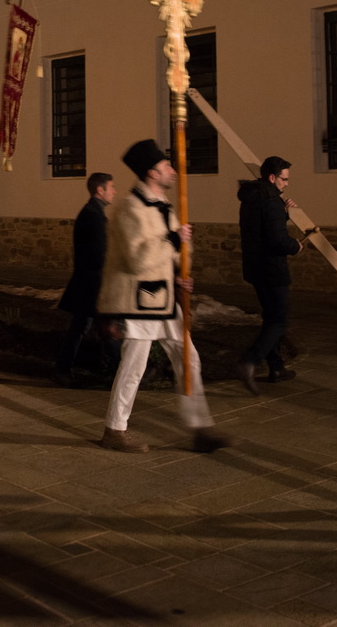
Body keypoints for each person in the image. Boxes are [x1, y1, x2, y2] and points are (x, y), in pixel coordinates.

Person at [96, 140, 232, 454]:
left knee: (189, 359)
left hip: (164, 297)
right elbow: (138, 259)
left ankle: (199, 428)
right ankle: (114, 430)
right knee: (134, 365)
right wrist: (172, 238)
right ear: (152, 172)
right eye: (167, 166)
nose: (173, 171)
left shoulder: (164, 204)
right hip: (139, 299)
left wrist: (178, 273)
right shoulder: (131, 208)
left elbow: (172, 254)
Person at [235, 156, 305, 394]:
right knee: (279, 319)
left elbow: (261, 228)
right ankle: (249, 361)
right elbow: (276, 240)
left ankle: (276, 367)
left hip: (255, 267)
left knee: (271, 317)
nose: (286, 185)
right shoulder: (272, 201)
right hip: (272, 269)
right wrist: (294, 246)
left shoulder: (251, 198)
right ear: (272, 178)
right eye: (284, 179)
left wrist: (283, 215)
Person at [54, 172, 120, 386]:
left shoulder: (93, 212)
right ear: (100, 190)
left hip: (88, 283)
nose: (114, 191)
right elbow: (100, 255)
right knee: (106, 328)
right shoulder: (94, 215)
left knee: (81, 327)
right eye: (111, 187)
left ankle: (63, 369)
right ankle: (120, 373)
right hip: (93, 284)